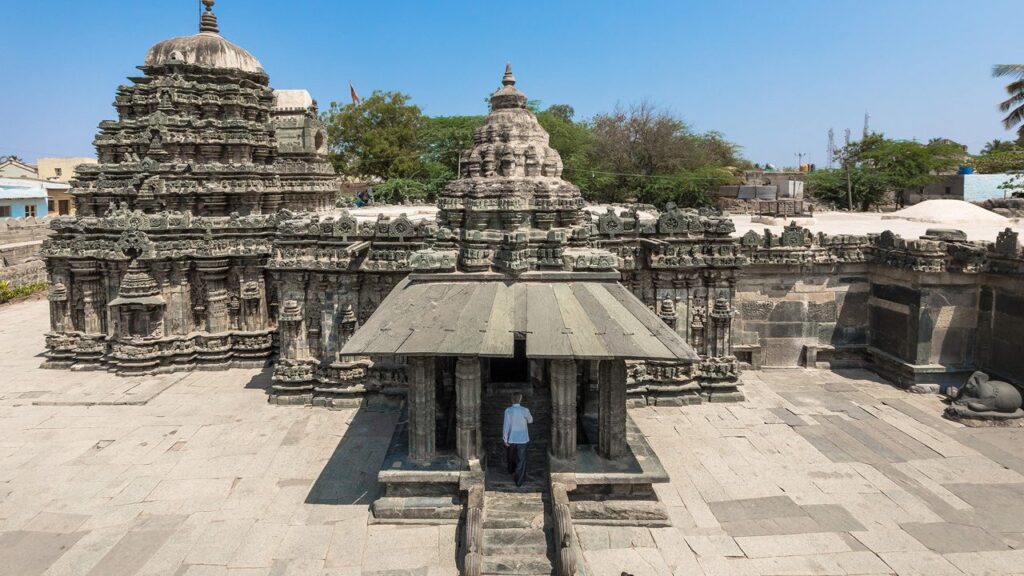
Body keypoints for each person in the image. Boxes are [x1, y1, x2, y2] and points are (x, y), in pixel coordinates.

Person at [502, 392, 533, 487]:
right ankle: (519, 481)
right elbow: (530, 420)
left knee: (511, 456)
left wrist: (505, 439)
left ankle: (511, 470)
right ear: (520, 399)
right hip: (523, 439)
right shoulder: (525, 410)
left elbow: (506, 426)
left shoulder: (508, 411)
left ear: (512, 400)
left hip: (511, 438)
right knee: (521, 460)